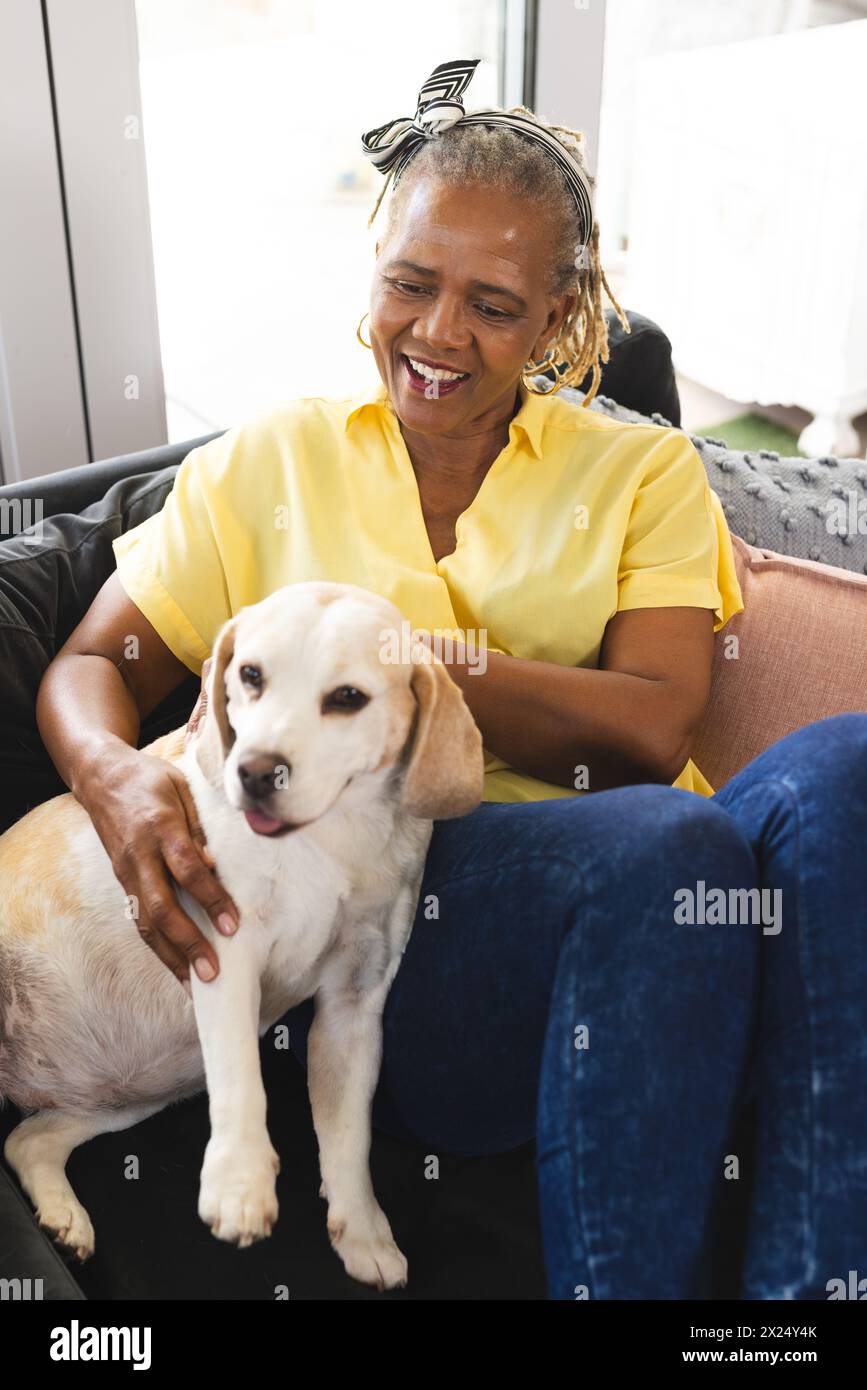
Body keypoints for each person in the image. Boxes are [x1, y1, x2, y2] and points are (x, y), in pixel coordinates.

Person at [33, 59, 867, 1299]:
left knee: (834, 764)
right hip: (428, 921)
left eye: (493, 303)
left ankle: (803, 1307)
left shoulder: (642, 474)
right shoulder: (271, 459)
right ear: (372, 273)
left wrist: (420, 676)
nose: (437, 335)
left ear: (561, 317)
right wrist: (117, 783)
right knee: (669, 846)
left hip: (663, 869)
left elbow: (652, 723)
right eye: (411, 285)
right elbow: (94, 660)